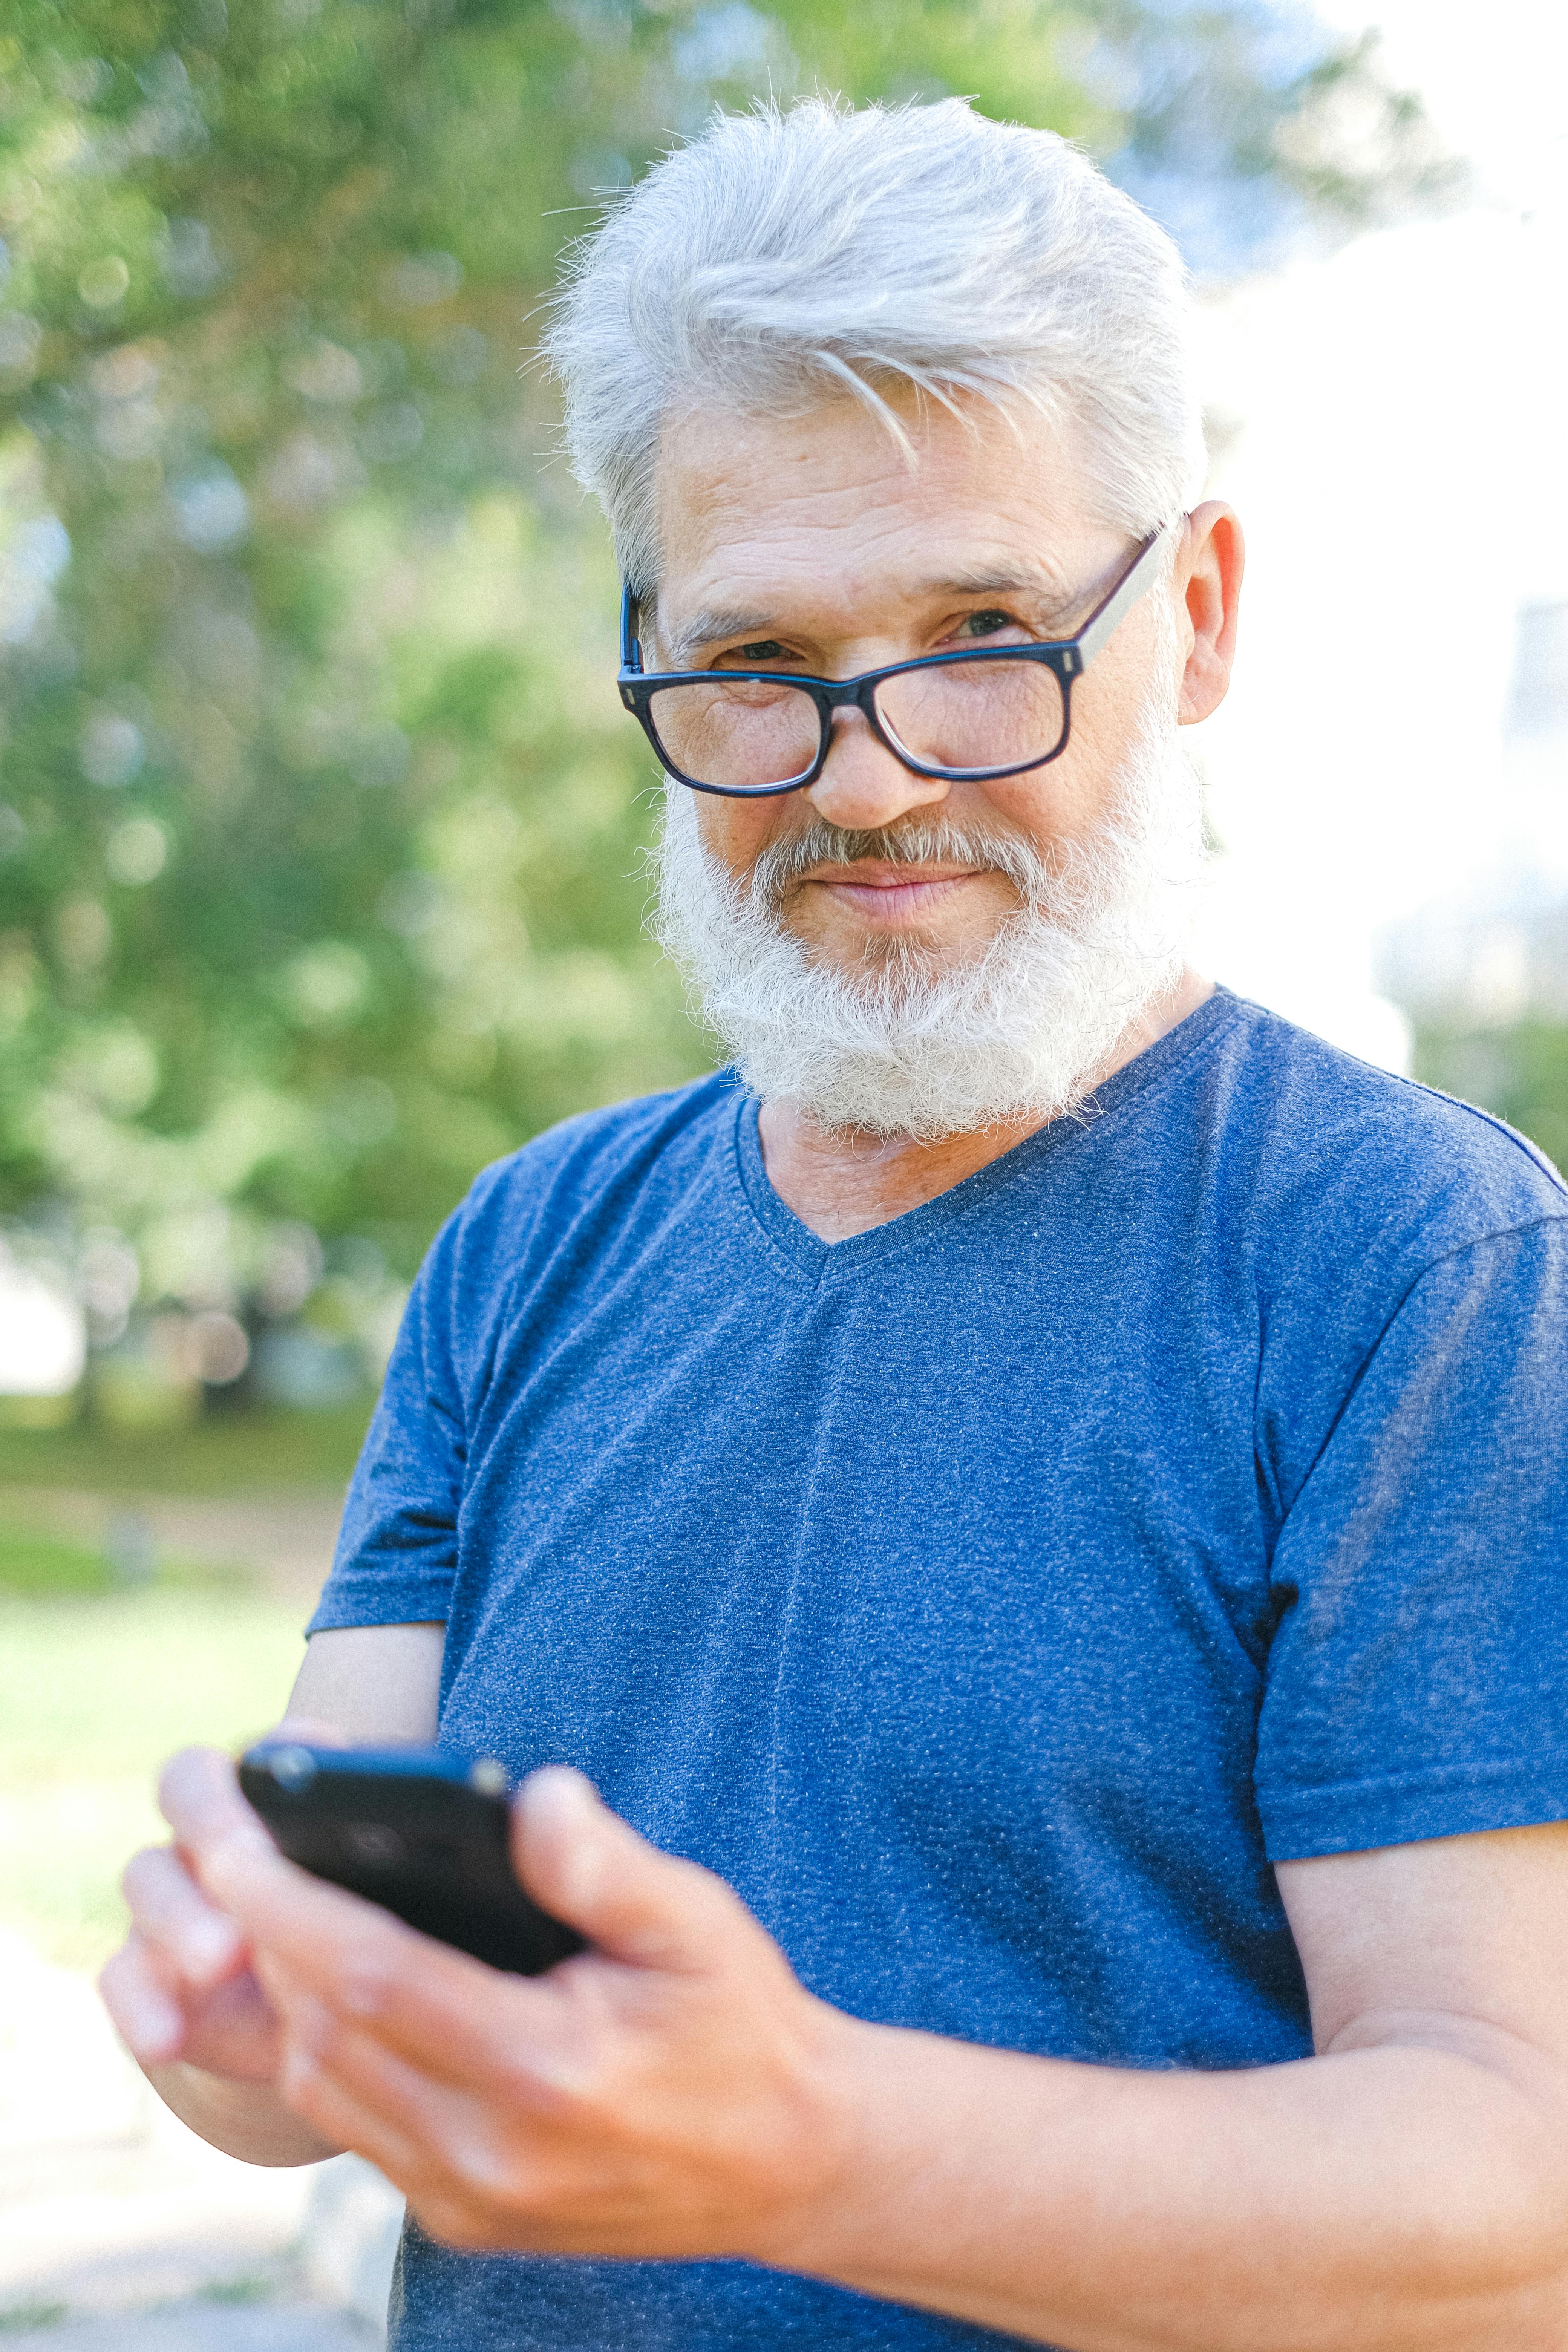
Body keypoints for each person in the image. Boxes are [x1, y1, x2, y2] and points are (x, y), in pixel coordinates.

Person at [99, 96, 1568, 2352]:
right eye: (759, 664)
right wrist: (248, 1998)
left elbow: (1509, 2199)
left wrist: (805, 2147)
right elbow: (288, 2069)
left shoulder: (1414, 1266)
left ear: (1192, 617)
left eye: (983, 630)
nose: (869, 778)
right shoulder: (533, 1245)